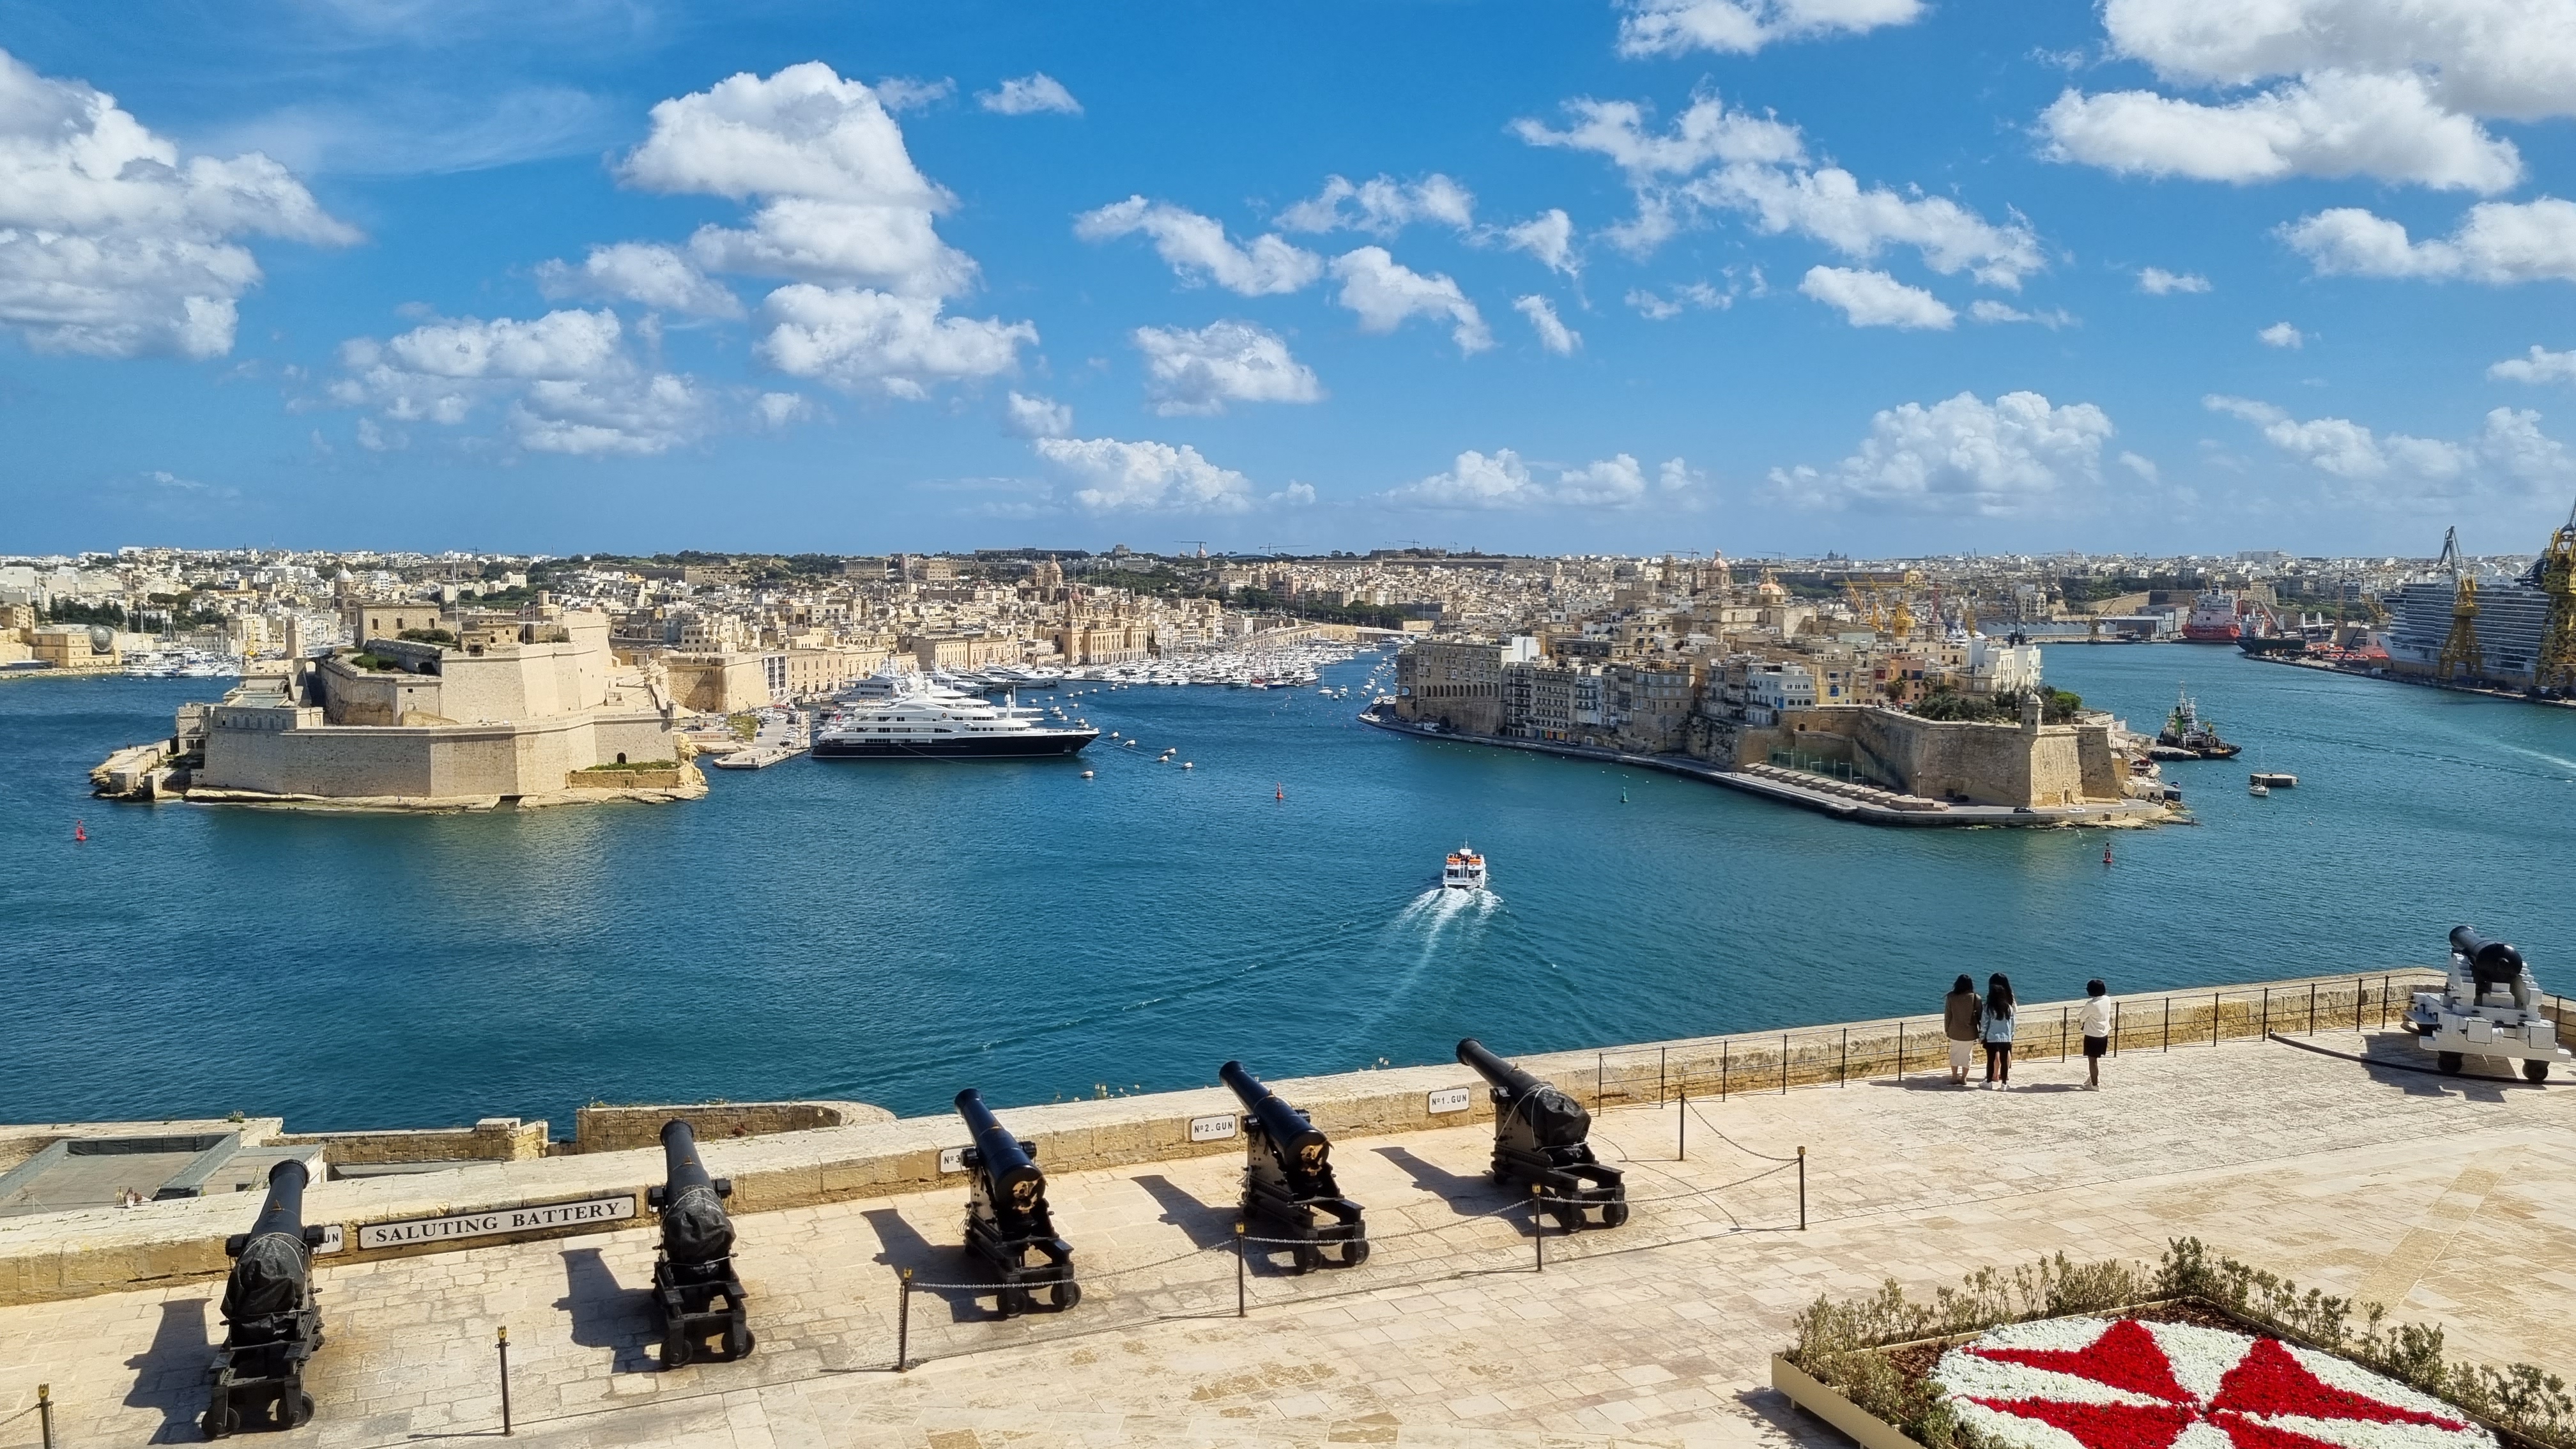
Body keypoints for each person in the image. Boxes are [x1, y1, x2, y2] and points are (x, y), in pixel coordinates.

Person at [1943, 974, 1981, 1086]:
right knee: (1967, 1054)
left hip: (1954, 1030)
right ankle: (1964, 1078)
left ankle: (1954, 1076)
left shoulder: (1951, 997)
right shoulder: (1976, 998)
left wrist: (1947, 1029)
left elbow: (1948, 1015)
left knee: (1954, 1053)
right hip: (1970, 1032)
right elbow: (1980, 1016)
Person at [1982, 974, 2017, 1089]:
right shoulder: (2010, 1004)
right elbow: (2013, 1023)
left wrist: (1982, 1037)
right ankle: (2004, 1083)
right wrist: (2011, 1035)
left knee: (1991, 1060)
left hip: (1992, 1037)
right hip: (2006, 1037)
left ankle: (1991, 1078)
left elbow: (1985, 1024)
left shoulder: (1989, 1007)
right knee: (2005, 1058)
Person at [2080, 978, 2112, 1089]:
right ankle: (2094, 1077)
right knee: (2095, 1058)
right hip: (2103, 1033)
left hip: (2093, 1035)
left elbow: (2082, 1017)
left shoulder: (2091, 1004)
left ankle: (2094, 1085)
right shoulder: (2107, 999)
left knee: (2092, 1060)